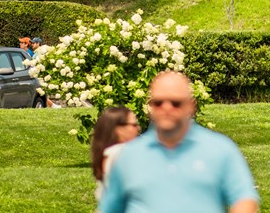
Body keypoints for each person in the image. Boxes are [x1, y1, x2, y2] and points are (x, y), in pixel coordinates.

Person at [98, 72, 258, 213]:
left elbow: (244, 200)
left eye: (175, 103)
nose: (166, 108)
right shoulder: (129, 156)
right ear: (150, 107)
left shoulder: (220, 149)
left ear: (191, 106)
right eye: (158, 103)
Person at [91, 107, 141, 203]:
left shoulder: (108, 154)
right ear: (118, 129)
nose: (138, 128)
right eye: (134, 125)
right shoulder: (119, 154)